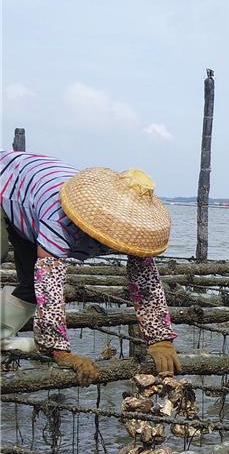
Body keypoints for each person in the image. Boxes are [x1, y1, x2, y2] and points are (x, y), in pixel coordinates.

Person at [0, 151, 181, 385]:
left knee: (29, 288)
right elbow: (50, 285)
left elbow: (145, 283)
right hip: (7, 185)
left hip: (31, 197)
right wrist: (60, 352)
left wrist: (160, 339)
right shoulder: (60, 218)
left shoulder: (133, 230)